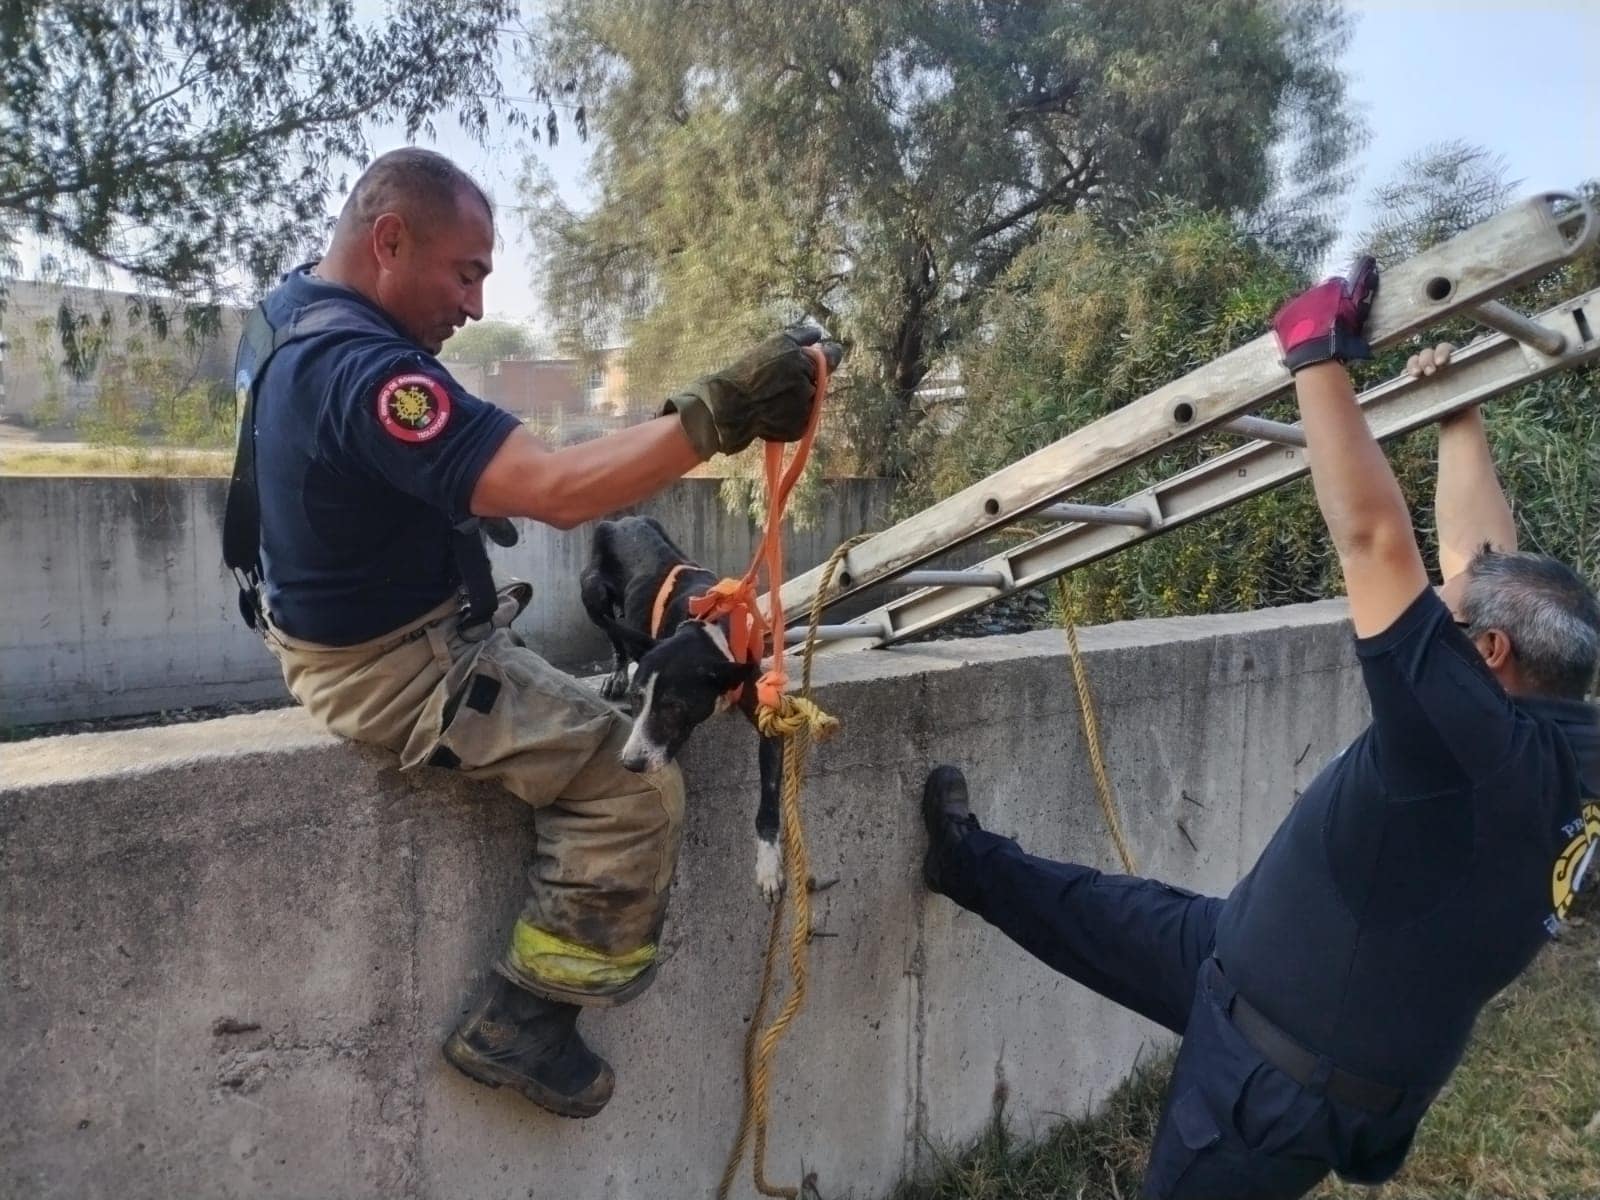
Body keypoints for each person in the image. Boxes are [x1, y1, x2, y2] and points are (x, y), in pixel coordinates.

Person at [917, 261, 1600, 1198]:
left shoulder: (1466, 745)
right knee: (1091, 909)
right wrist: (1457, 412)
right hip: (1263, 960)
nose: (1435, 600)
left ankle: (971, 867)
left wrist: (1312, 351)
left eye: (1450, 609)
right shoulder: (1563, 731)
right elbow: (1477, 564)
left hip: (1277, 1073)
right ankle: (962, 863)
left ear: (1486, 654)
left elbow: (1374, 542)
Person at [223, 147, 842, 1119]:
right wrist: (716, 412)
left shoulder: (291, 313)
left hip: (335, 633)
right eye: (465, 273)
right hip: (396, 669)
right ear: (390, 240)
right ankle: (525, 1018)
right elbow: (556, 494)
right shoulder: (366, 372)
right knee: (631, 784)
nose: (474, 305)